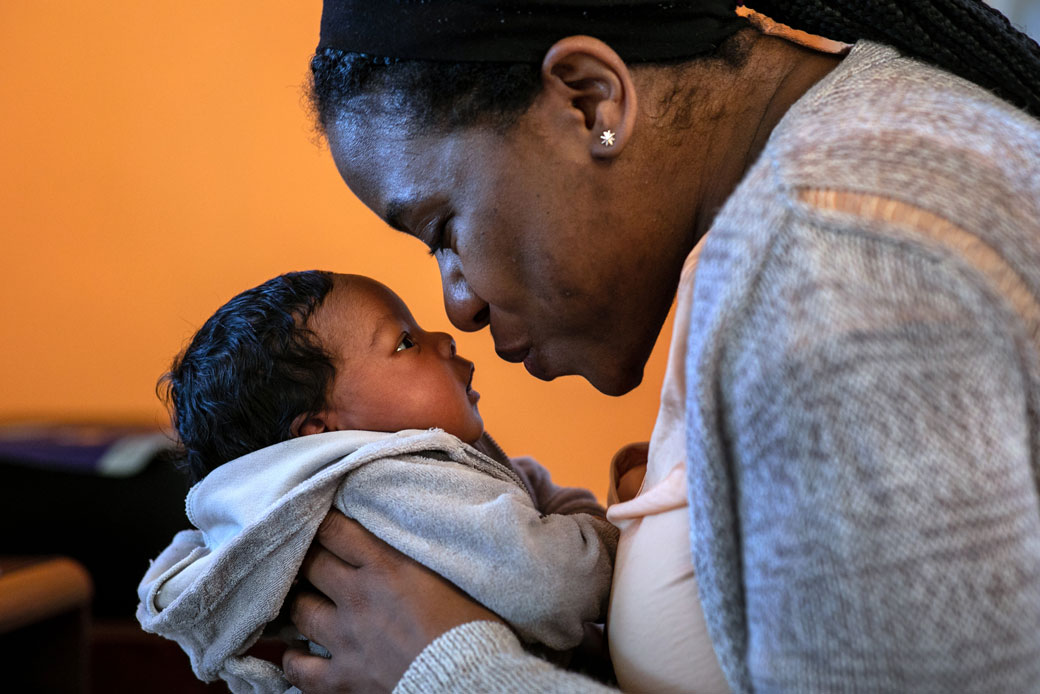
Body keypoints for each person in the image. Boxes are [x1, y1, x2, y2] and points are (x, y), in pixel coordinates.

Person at [284, 1, 1040, 692]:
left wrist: (450, 673)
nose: (459, 303)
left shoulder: (825, 259)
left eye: (442, 230)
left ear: (590, 105)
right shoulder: (845, 168)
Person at [135, 270, 618, 693]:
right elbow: (555, 583)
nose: (444, 339)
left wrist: (570, 512)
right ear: (320, 429)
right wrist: (614, 531)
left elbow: (528, 490)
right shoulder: (385, 486)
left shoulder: (426, 470)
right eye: (405, 342)